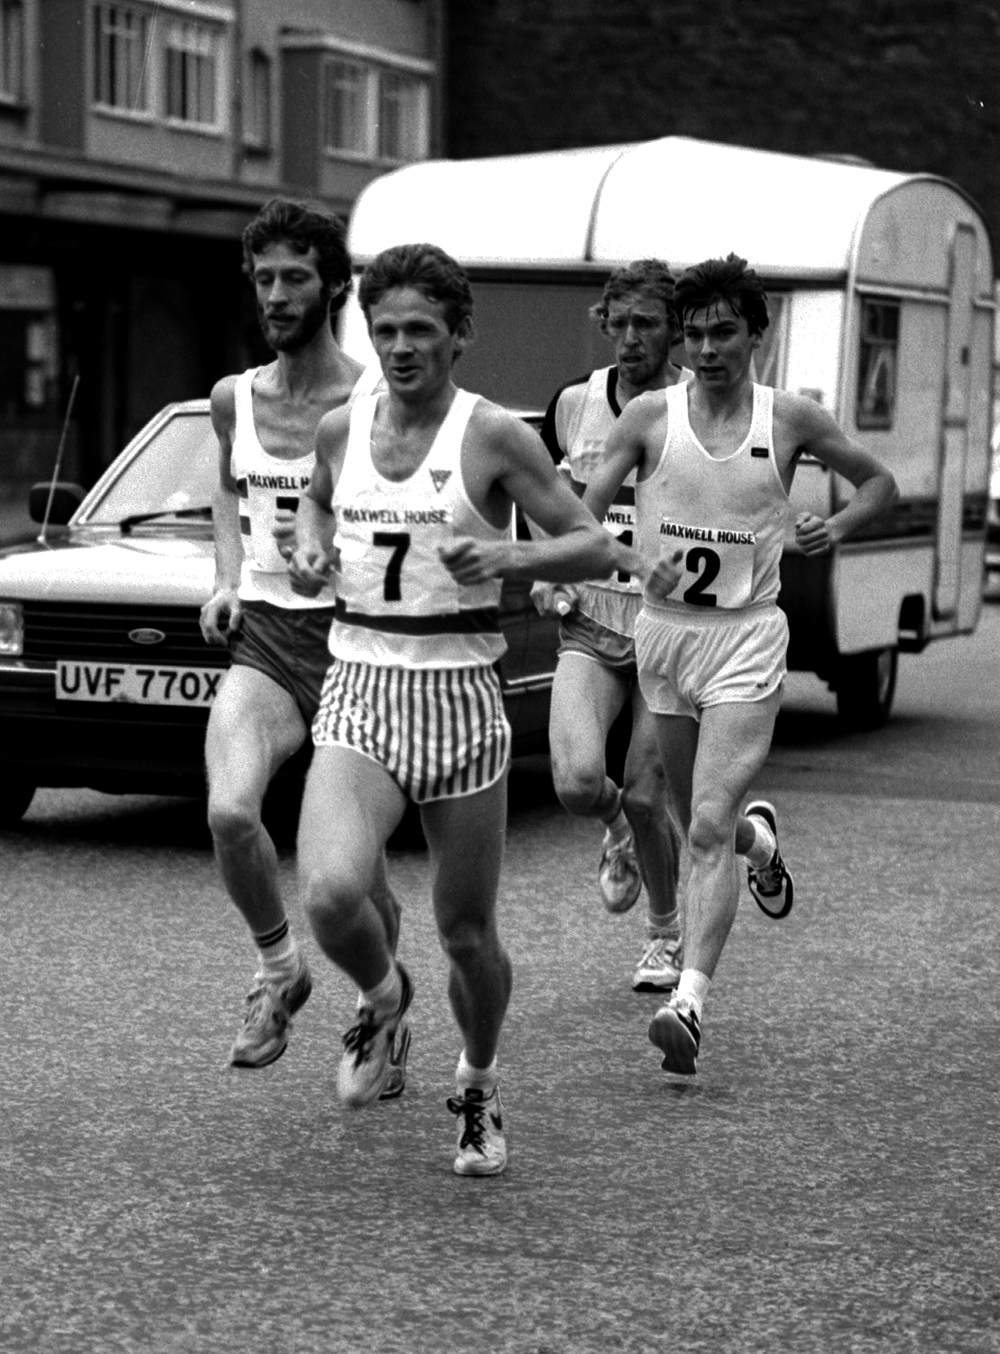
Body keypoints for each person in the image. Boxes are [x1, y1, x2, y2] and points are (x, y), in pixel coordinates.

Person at [289, 242, 617, 1176]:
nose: (400, 348)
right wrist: (312, 546)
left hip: (460, 697)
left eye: (420, 331)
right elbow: (314, 505)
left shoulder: (492, 437)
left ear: (459, 336)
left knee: (467, 933)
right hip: (361, 685)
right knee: (329, 892)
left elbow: (591, 545)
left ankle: (476, 1082)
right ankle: (385, 997)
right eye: (384, 330)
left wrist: (510, 560)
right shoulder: (340, 430)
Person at [583, 253, 898, 1075]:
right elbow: (581, 517)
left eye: (724, 331)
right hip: (662, 636)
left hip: (746, 637)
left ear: (758, 333)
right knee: (703, 826)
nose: (707, 348)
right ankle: (761, 845)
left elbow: (879, 483)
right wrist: (620, 553)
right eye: (693, 335)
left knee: (706, 825)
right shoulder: (649, 417)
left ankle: (689, 1003)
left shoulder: (788, 419)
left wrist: (841, 527)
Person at [199, 197, 405, 1090]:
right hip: (270, 641)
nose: (276, 295)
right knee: (230, 813)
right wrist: (225, 574)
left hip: (359, 648)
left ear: (333, 288)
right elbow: (226, 488)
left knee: (357, 881)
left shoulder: (374, 398)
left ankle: (379, 1010)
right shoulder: (230, 399)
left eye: (294, 278)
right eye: (263, 279)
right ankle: (278, 968)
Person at [533, 260, 688, 993]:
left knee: (649, 792)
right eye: (618, 323)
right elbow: (557, 502)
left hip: (672, 629)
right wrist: (548, 569)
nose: (629, 338)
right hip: (592, 619)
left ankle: (664, 936)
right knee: (574, 781)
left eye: (646, 324)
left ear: (675, 330)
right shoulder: (573, 404)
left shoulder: (700, 407)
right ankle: (617, 835)